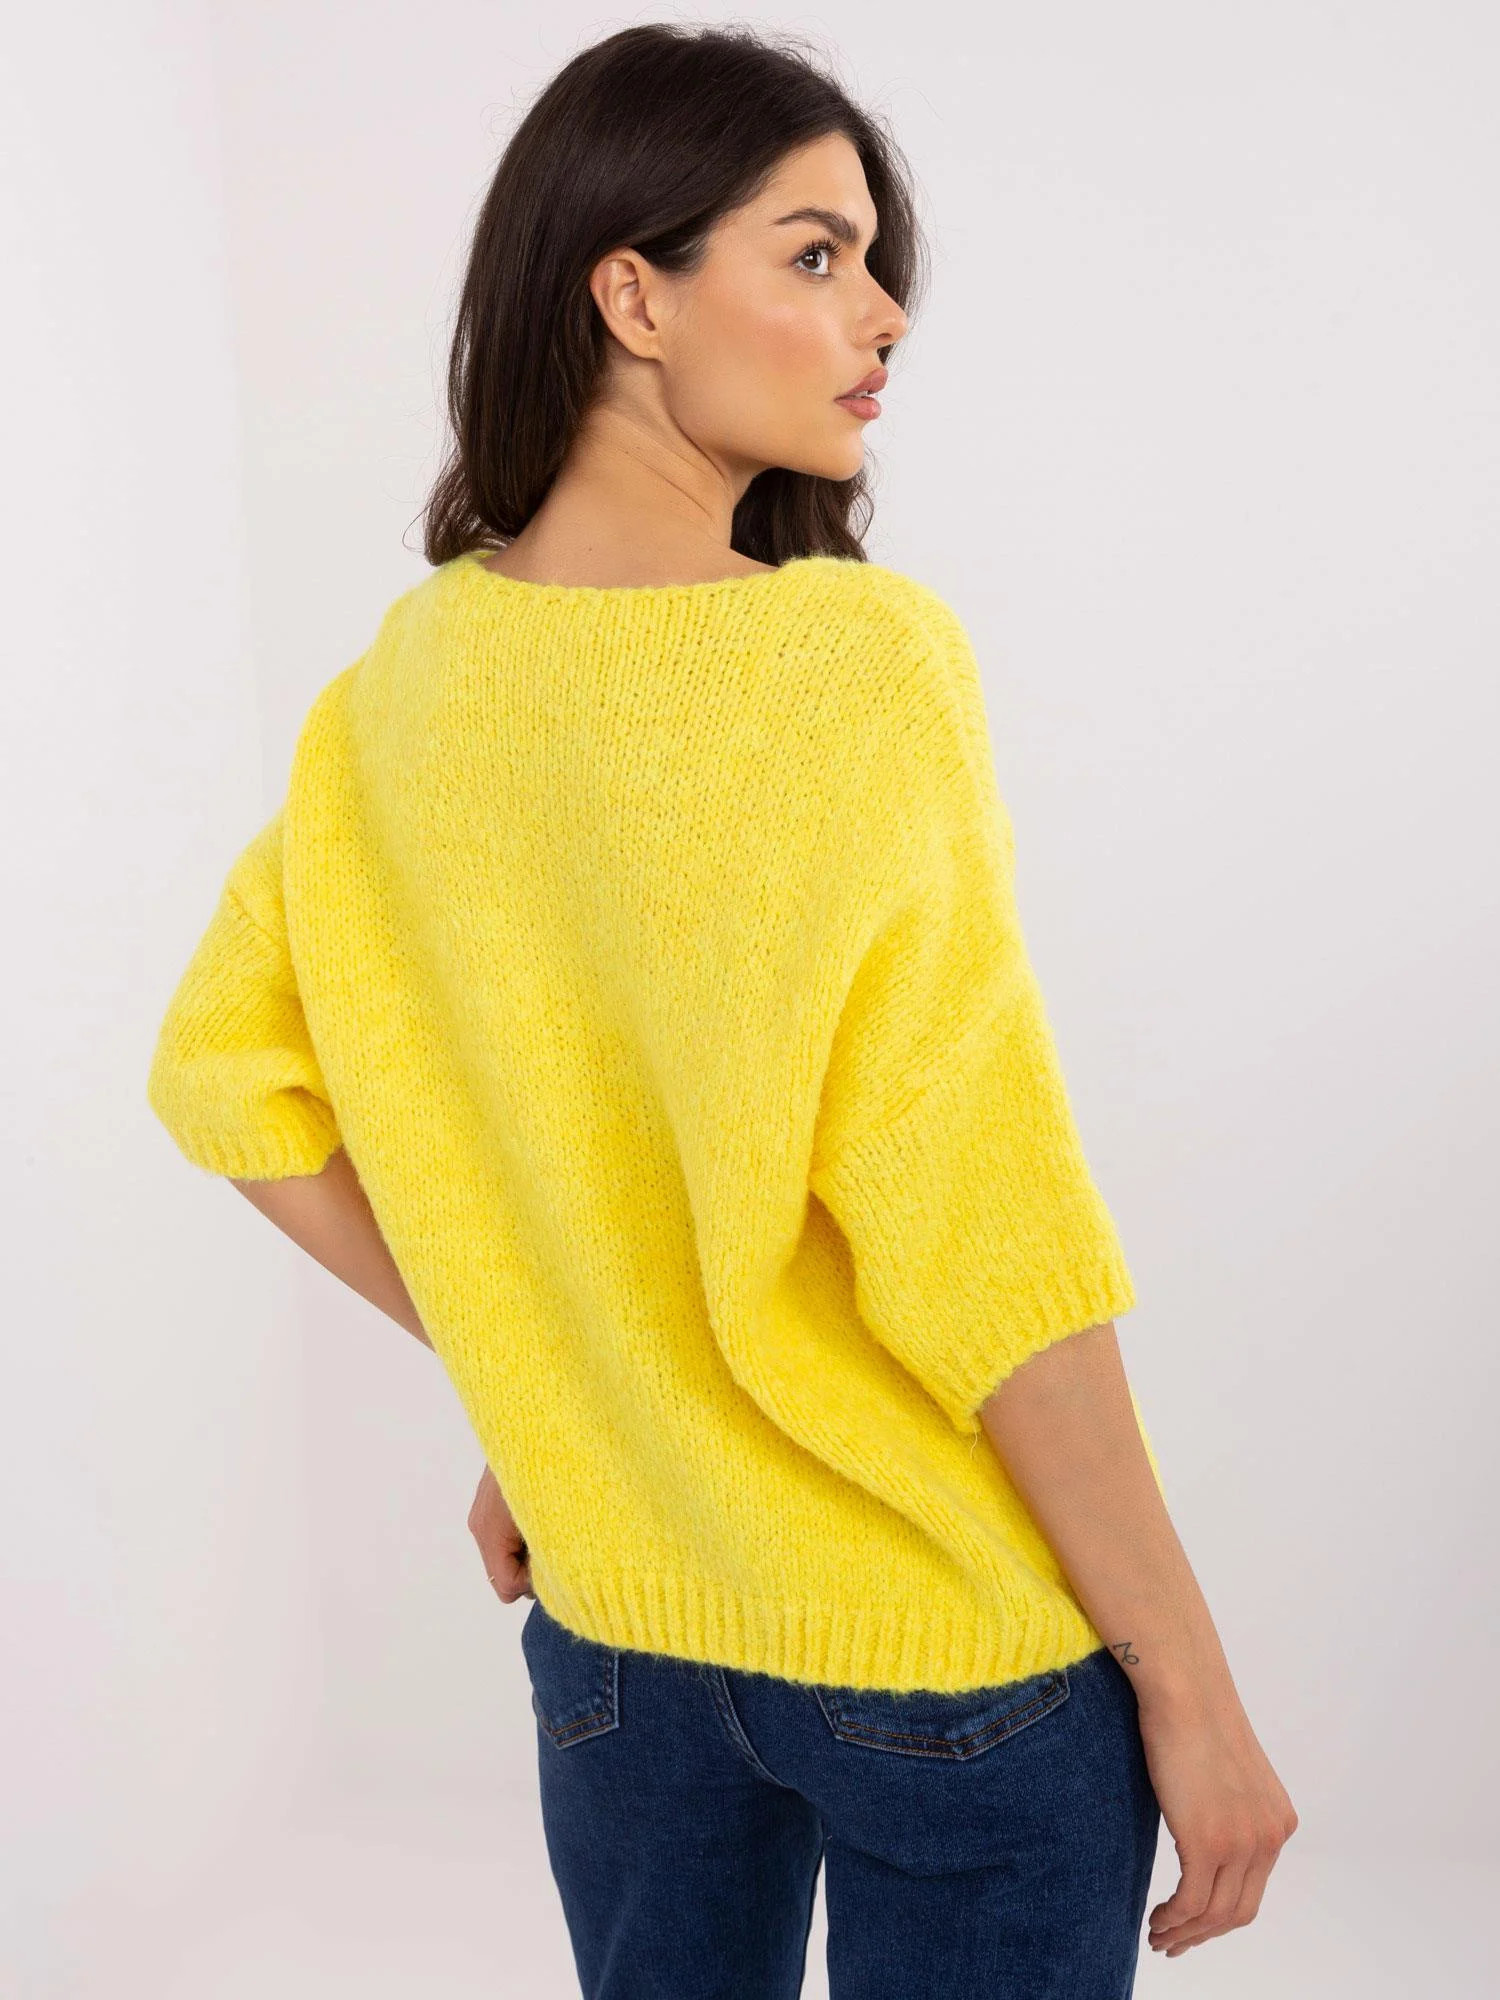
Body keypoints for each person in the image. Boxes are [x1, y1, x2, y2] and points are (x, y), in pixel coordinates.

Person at [145, 21, 1296, 1997]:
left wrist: (565, 1394)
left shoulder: (389, 702)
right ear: (633, 295)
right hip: (941, 1660)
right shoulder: (853, 667)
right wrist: (1192, 1687)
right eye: (817, 253)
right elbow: (980, 1221)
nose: (885, 312)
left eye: (874, 262)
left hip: (614, 1643)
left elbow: (220, 1080)